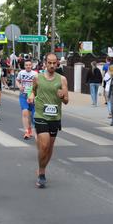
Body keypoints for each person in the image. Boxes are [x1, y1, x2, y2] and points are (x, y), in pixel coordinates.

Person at [28, 53, 69, 188]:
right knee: (44, 145)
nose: (52, 65)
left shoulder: (62, 79)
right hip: (40, 115)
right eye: (49, 63)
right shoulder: (37, 78)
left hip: (55, 117)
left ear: (57, 63)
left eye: (54, 63)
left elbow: (67, 101)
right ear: (45, 63)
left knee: (49, 147)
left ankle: (43, 169)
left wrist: (62, 97)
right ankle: (41, 172)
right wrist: (32, 96)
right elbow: (33, 91)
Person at [16, 59, 37, 139]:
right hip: (23, 95)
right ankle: (27, 131)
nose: (28, 66)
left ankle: (32, 128)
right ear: (24, 66)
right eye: (26, 65)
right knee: (25, 113)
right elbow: (17, 81)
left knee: (33, 116)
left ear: (32, 65)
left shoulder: (35, 74)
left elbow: (38, 84)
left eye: (29, 65)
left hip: (32, 95)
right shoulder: (21, 73)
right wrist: (19, 86)